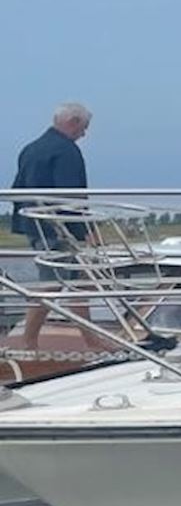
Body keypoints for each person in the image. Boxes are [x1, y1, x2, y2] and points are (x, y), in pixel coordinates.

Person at [11, 102, 92, 352]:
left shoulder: (30, 149)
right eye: (84, 128)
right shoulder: (67, 151)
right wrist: (85, 230)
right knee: (56, 284)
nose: (84, 134)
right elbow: (70, 198)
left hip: (35, 227)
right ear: (73, 122)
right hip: (59, 228)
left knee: (76, 282)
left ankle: (90, 339)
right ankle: (29, 341)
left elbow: (16, 191)